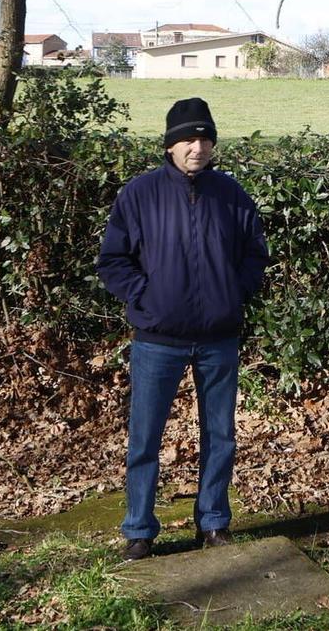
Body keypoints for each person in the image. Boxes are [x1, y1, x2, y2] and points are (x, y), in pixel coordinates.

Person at [97, 97, 269, 561]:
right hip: (157, 340)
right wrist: (146, 297)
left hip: (218, 337)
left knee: (220, 435)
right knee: (145, 437)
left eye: (204, 138)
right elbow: (113, 260)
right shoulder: (139, 194)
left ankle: (213, 522)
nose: (197, 147)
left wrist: (234, 291)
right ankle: (139, 529)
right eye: (188, 139)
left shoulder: (231, 194)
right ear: (170, 145)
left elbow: (256, 252)